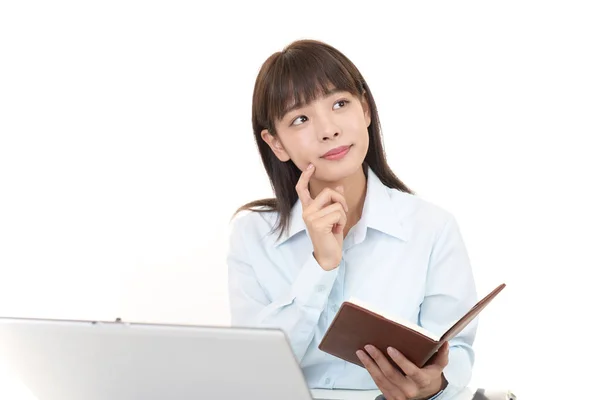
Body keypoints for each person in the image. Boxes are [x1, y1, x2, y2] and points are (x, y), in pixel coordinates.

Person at [226, 39, 478, 400]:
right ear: (276, 143)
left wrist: (433, 385)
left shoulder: (431, 226)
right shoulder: (252, 233)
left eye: (340, 104)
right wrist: (321, 266)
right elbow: (252, 372)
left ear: (365, 110)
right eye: (300, 119)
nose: (328, 130)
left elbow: (457, 354)